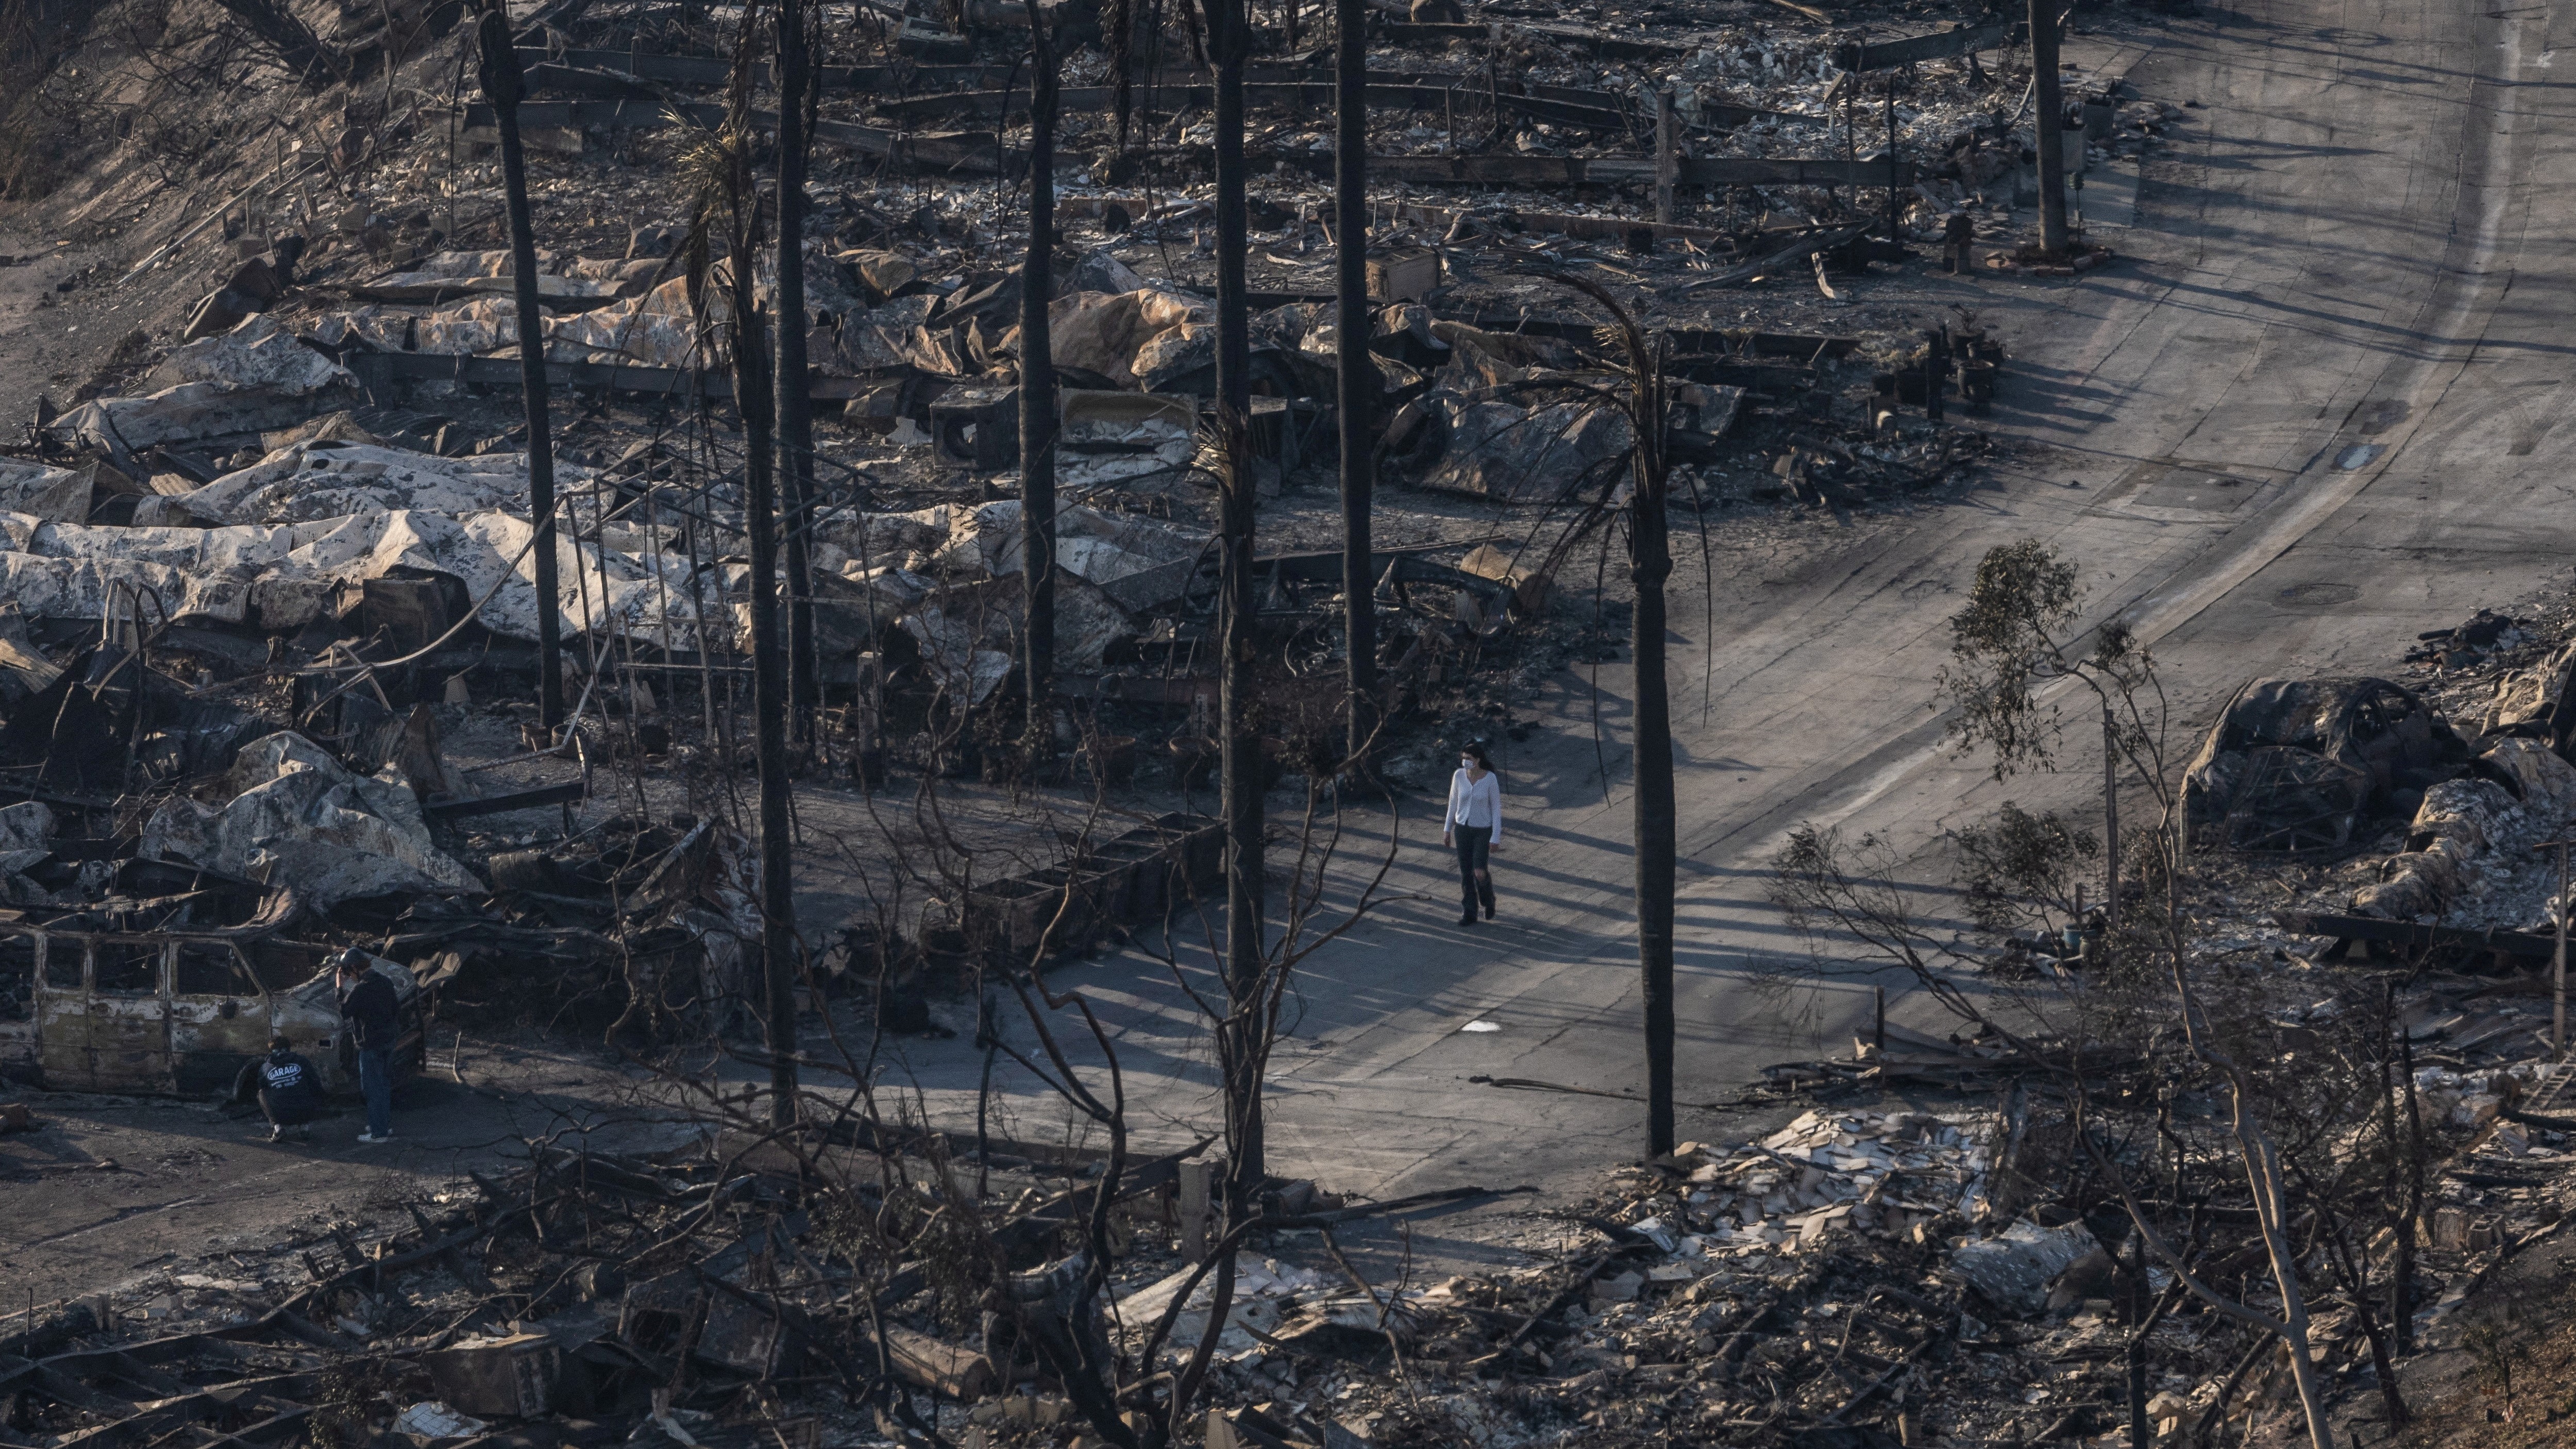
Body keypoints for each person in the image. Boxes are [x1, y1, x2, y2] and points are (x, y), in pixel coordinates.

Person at [335, 949, 398, 1144]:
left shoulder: (361, 990)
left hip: (371, 1045)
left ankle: (378, 1133)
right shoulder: (385, 982)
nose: (348, 977)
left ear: (354, 968)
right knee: (384, 1086)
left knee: (372, 1089)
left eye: (347, 973)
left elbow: (344, 1011)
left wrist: (339, 987)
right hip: (389, 1040)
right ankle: (381, 1124)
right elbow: (396, 1008)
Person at [1443, 742, 1504, 926]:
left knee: (1479, 871)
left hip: (1482, 830)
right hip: (1463, 829)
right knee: (1466, 872)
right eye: (1463, 758)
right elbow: (1453, 803)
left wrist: (1495, 837)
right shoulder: (1459, 776)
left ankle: (1488, 900)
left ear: (1478, 760)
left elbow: (1496, 809)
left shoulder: (1490, 779)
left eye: (1469, 759)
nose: (1465, 762)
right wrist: (1447, 829)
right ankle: (1469, 911)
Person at [231, 1035, 325, 1142]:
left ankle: (278, 1129)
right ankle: (304, 1128)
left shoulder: (266, 1067)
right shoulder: (302, 1060)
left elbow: (262, 1085)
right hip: (306, 1110)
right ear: (288, 1048)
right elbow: (316, 1082)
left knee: (261, 1093)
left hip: (281, 1114)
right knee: (308, 1085)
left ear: (272, 1051)